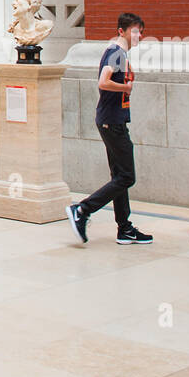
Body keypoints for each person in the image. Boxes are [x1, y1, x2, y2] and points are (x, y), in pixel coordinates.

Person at [66, 13, 154, 246]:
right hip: (112, 122)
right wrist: (125, 87)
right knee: (127, 176)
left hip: (111, 120)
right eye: (134, 31)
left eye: (140, 31)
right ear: (121, 31)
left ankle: (124, 228)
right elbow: (103, 82)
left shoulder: (118, 52)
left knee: (120, 177)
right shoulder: (117, 52)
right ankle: (82, 209)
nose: (139, 35)